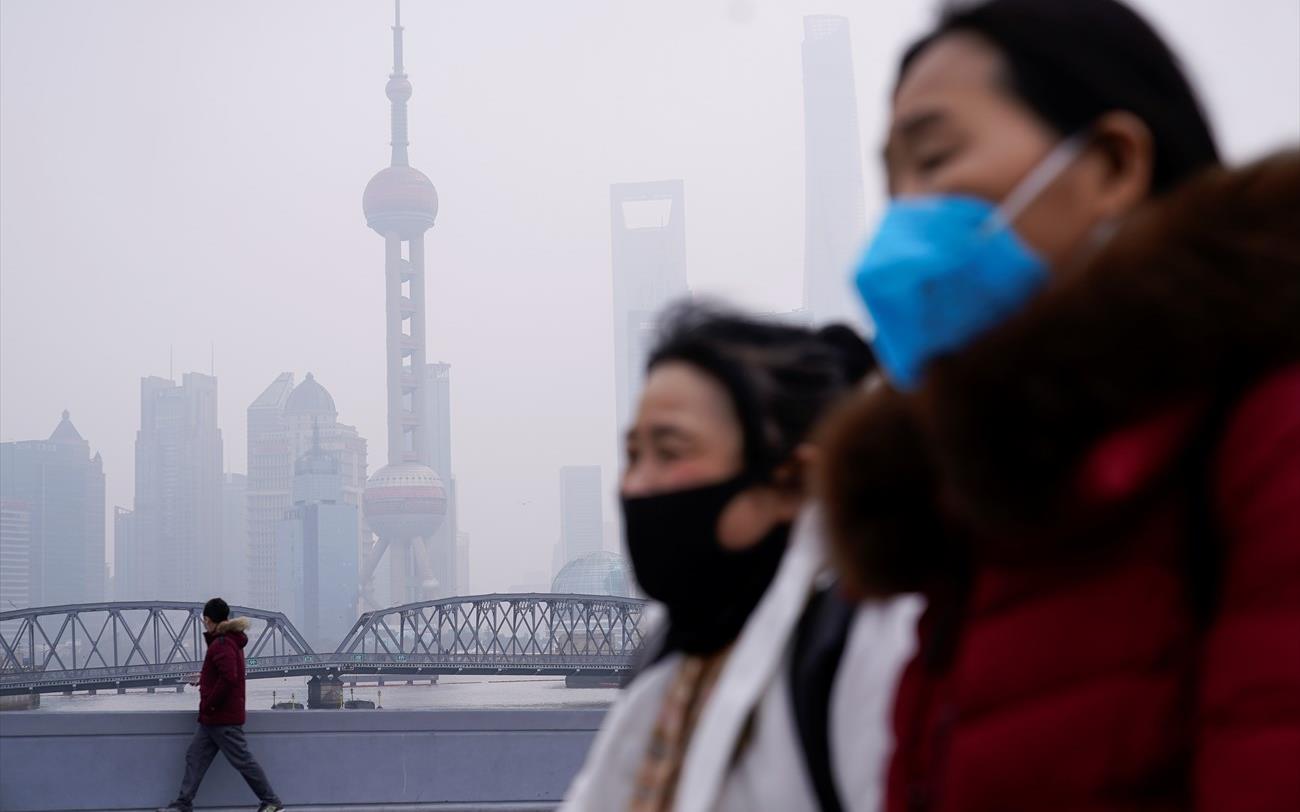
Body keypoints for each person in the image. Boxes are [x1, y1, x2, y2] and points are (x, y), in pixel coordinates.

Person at [817, 0, 1300, 809]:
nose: (900, 218)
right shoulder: (973, 507)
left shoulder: (1267, 435)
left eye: (933, 160)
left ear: (1112, 164)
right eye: (889, 182)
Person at [562, 304, 920, 812]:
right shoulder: (670, 647)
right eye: (633, 454)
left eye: (670, 452)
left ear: (791, 483)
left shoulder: (872, 649)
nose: (636, 484)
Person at [159, 598, 285, 812]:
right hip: (213, 719)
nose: (204, 625)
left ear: (208, 620)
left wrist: (209, 703)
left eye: (204, 621)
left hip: (221, 718)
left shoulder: (222, 643)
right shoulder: (227, 642)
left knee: (243, 761)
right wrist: (204, 679)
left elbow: (229, 678)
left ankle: (272, 801)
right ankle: (183, 804)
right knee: (195, 757)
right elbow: (223, 673)